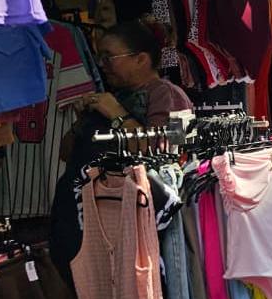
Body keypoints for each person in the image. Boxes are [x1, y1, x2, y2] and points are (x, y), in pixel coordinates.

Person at [51, 19, 193, 277]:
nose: (102, 65)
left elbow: (167, 154)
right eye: (99, 58)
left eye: (109, 57)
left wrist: (117, 115)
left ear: (141, 59)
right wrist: (80, 123)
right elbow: (65, 153)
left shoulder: (170, 95)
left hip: (132, 220)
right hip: (82, 214)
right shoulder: (112, 96)